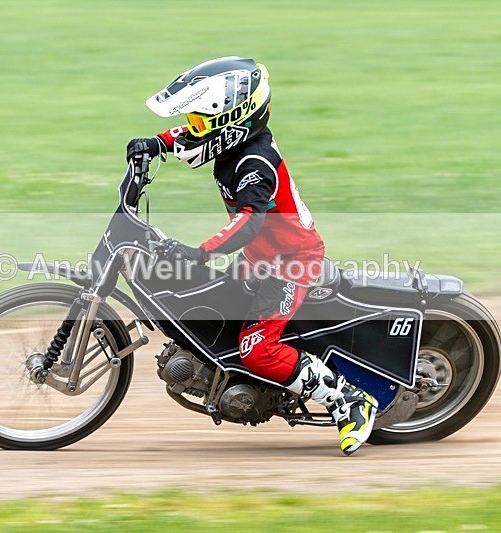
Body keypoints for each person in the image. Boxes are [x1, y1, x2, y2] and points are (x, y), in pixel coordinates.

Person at [127, 57, 377, 455]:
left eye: (198, 121)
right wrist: (158, 142)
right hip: (263, 255)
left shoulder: (255, 164)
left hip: (291, 261)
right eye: (191, 121)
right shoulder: (235, 141)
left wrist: (200, 252)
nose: (191, 128)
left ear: (232, 122)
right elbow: (194, 134)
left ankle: (348, 399)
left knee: (256, 347)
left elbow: (248, 222)